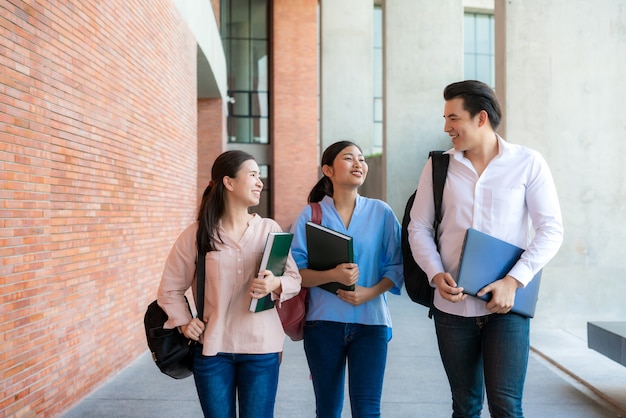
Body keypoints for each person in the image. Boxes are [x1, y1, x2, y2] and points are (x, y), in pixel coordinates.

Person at [408, 80, 564, 417]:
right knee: (465, 406)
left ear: (480, 118)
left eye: (453, 118)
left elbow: (551, 230)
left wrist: (514, 281)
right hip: (452, 309)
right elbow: (418, 227)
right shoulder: (438, 166)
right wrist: (435, 274)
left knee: (506, 407)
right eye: (445, 118)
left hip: (506, 308)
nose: (446, 127)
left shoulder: (528, 163)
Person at [157, 150, 301, 418]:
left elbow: (294, 279)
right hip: (213, 350)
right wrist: (184, 322)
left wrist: (275, 283)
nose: (260, 182)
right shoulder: (197, 234)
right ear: (229, 182)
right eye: (253, 175)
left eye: (260, 176)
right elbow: (170, 289)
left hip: (262, 349)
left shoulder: (269, 229)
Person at [289, 140, 404, 418]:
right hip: (323, 324)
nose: (358, 164)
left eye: (362, 159)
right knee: (327, 410)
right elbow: (295, 274)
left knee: (367, 411)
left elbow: (396, 266)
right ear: (328, 170)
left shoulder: (382, 212)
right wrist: (332, 275)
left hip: (371, 324)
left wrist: (369, 292)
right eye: (349, 158)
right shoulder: (311, 214)